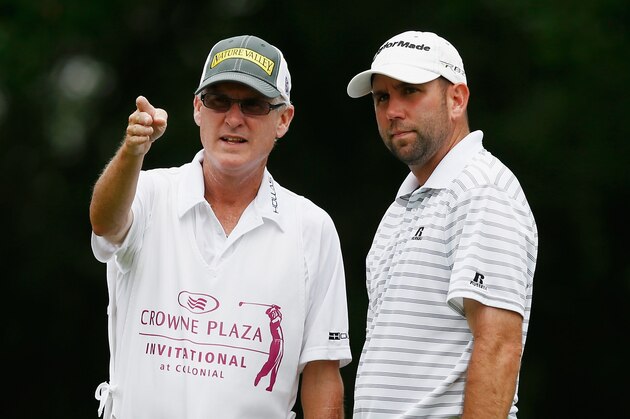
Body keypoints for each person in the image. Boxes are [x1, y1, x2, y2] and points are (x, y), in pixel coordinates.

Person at [90, 34, 352, 419]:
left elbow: (321, 375)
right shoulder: (148, 190)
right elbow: (105, 223)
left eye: (254, 104)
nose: (233, 118)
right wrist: (133, 152)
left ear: (283, 119)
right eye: (218, 101)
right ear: (198, 108)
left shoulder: (312, 228)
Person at [346, 31, 538, 418]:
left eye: (410, 91)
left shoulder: (483, 190)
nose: (392, 110)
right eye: (382, 97)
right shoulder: (400, 208)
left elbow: (498, 345)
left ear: (457, 99)